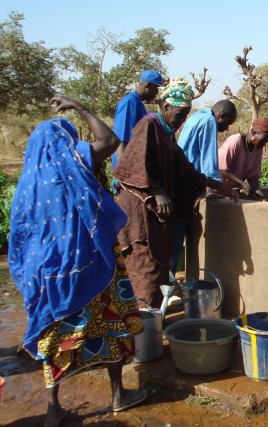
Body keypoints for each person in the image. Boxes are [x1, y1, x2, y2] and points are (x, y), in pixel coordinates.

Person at [8, 95, 146, 427]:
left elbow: (21, 236)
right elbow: (110, 141)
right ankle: (118, 394)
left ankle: (53, 408)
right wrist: (80, 107)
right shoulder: (76, 164)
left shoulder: (28, 183)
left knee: (54, 335)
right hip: (95, 265)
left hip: (52, 276)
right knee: (112, 326)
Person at [112, 78, 238, 308]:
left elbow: (186, 172)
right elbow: (131, 167)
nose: (180, 121)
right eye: (179, 114)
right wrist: (157, 190)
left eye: (185, 115)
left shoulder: (166, 133)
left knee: (158, 265)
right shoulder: (148, 126)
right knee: (144, 266)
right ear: (166, 107)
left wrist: (218, 185)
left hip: (155, 212)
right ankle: (143, 324)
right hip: (139, 207)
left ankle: (153, 320)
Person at [170, 100, 239, 273]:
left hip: (178, 179)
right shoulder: (209, 122)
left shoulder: (198, 116)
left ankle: (165, 286)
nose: (225, 128)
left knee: (172, 241)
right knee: (175, 239)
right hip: (184, 185)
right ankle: (165, 290)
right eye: (227, 123)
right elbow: (209, 160)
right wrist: (212, 189)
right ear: (221, 116)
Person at [112, 69, 164, 170]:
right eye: (156, 88)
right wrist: (125, 172)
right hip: (126, 170)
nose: (156, 93)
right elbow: (121, 140)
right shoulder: (129, 103)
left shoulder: (138, 103)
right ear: (148, 85)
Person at [218, 117, 268, 200]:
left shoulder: (258, 148)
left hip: (233, 191)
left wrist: (260, 196)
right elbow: (221, 170)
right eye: (263, 140)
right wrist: (242, 184)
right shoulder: (235, 141)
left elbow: (252, 176)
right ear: (253, 132)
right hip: (218, 188)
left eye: (266, 141)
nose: (264, 144)